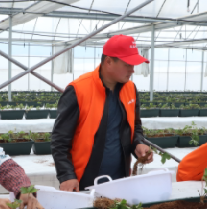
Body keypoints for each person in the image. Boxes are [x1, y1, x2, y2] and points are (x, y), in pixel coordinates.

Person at [51, 34, 153, 192]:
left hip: (120, 179)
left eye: (133, 65)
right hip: (84, 181)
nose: (132, 70)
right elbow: (60, 140)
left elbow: (134, 126)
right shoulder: (78, 90)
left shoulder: (130, 89)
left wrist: (138, 143)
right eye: (127, 64)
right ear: (109, 62)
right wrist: (66, 175)